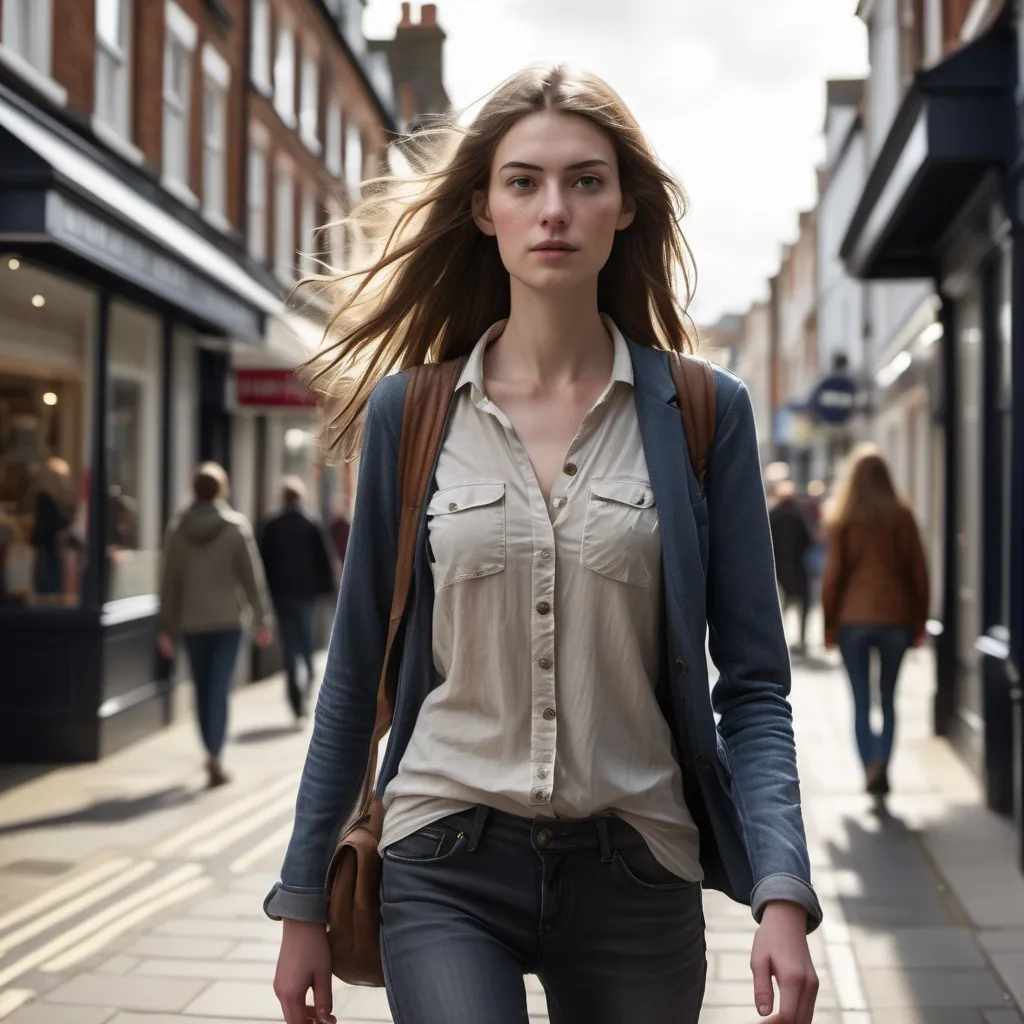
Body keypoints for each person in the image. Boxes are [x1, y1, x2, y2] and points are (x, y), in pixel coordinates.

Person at [267, 65, 821, 1024]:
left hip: (637, 866)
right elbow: (357, 675)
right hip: (444, 857)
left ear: (625, 208)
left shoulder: (702, 413)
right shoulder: (415, 411)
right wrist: (302, 901)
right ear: (483, 208)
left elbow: (754, 686)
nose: (553, 208)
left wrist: (781, 888)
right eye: (523, 181)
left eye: (585, 180)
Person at [821, 444, 929, 797]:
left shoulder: (844, 516)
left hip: (853, 620)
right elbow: (918, 572)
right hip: (896, 619)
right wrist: (920, 621)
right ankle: (883, 763)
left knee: (860, 699)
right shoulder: (902, 514)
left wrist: (828, 624)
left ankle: (869, 766)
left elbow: (833, 576)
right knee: (888, 698)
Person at [157, 462, 273, 788]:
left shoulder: (178, 529)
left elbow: (169, 581)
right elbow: (252, 578)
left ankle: (209, 749)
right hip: (227, 622)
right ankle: (214, 755)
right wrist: (262, 619)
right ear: (222, 489)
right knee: (218, 689)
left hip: (191, 622)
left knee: (201, 689)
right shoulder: (236, 526)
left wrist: (164, 627)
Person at [258, 476, 336, 722]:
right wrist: (328, 589)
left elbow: (262, 563)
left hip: (281, 595)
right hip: (306, 594)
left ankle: (295, 698)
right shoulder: (311, 523)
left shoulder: (272, 525)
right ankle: (310, 681)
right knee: (306, 641)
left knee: (290, 646)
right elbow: (324, 559)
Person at [768, 480, 814, 654]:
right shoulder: (799, 514)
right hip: (798, 566)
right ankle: (802, 639)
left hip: (777, 567)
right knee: (804, 604)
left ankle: (778, 638)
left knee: (780, 606)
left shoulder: (773, 514)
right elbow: (808, 540)